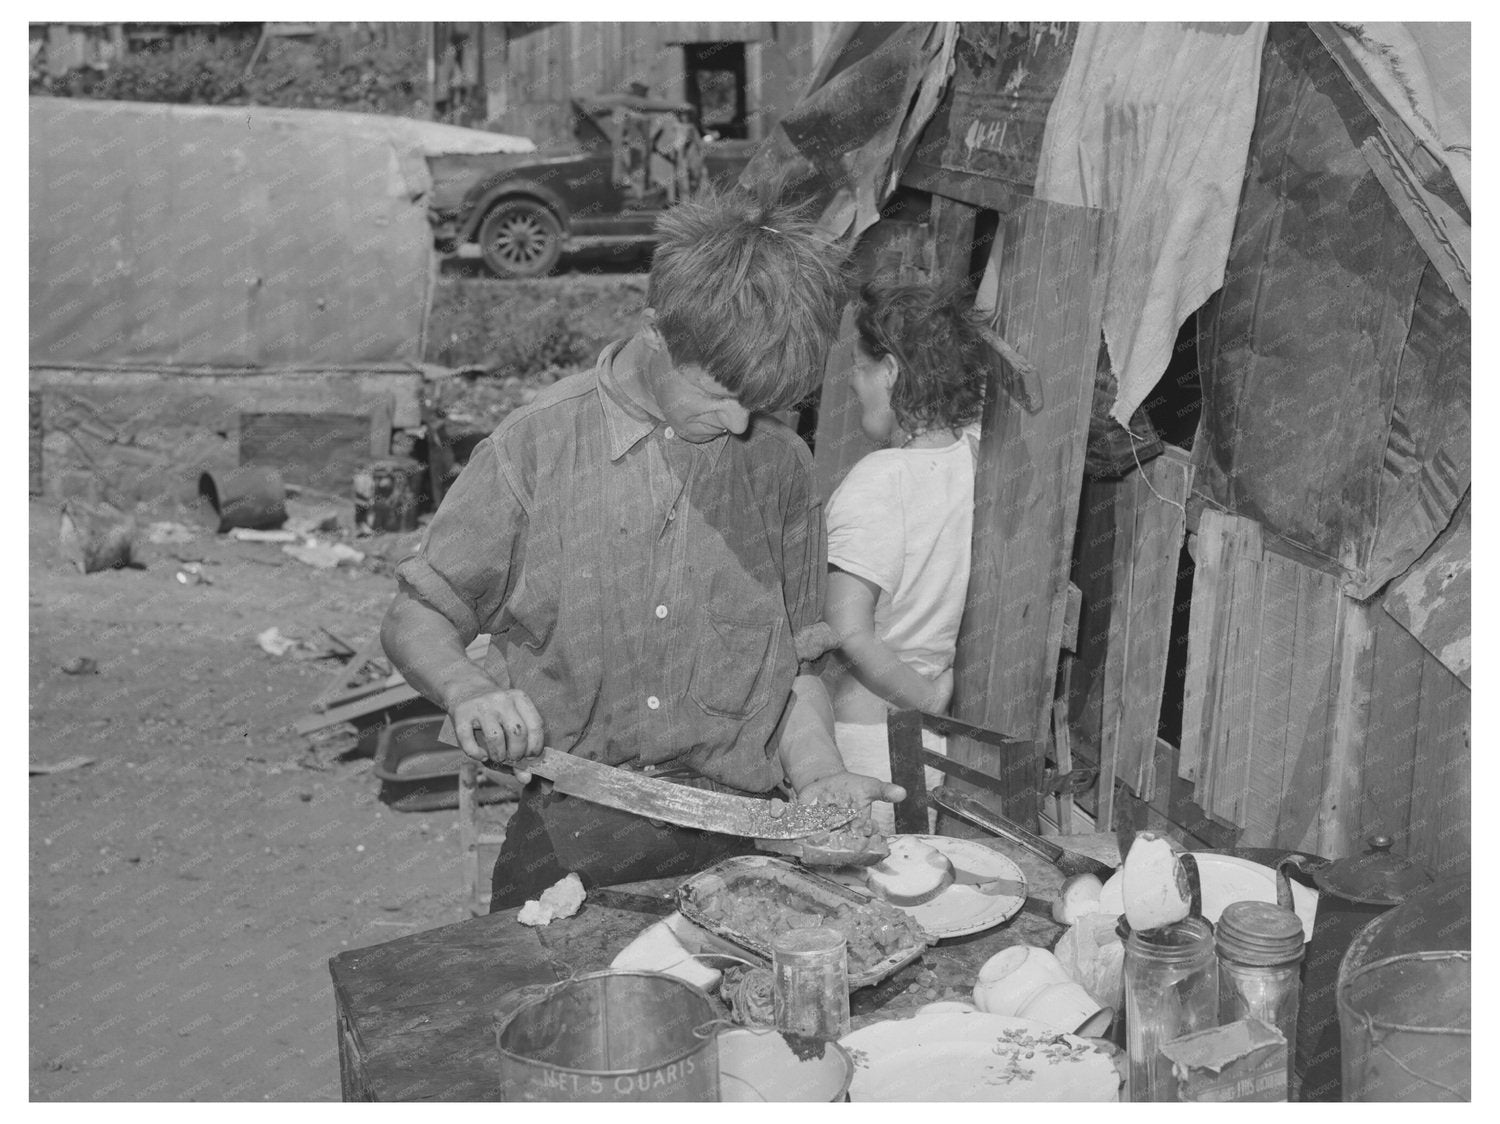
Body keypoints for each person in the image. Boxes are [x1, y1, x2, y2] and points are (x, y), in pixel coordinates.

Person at [381, 184, 904, 911]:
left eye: (760, 404)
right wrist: (467, 688)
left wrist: (819, 779)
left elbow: (799, 670)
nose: (737, 422)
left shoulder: (778, 464)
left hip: (740, 841)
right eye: (718, 395)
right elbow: (415, 618)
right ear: (658, 333)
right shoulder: (535, 447)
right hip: (572, 834)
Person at [821, 281, 994, 833]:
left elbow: (848, 631)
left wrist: (926, 697)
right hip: (927, 739)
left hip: (866, 738)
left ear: (891, 372)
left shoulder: (878, 481)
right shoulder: (976, 458)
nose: (851, 380)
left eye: (859, 366)